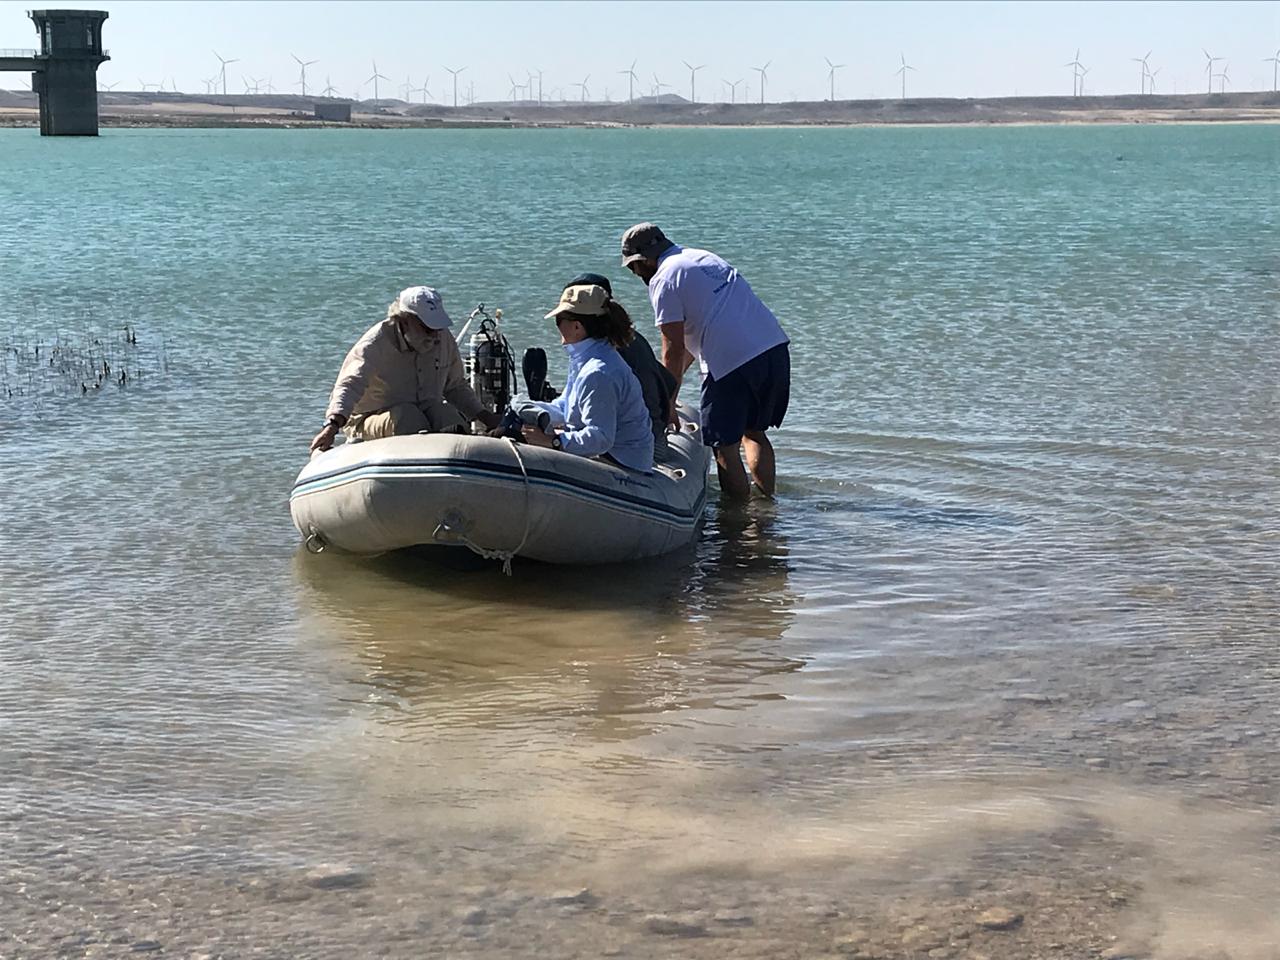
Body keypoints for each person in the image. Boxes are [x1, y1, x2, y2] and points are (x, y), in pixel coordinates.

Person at [620, 222, 790, 501]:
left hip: (731, 363)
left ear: (643, 260)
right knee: (754, 433)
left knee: (724, 447)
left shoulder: (664, 279)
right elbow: (691, 344)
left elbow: (673, 349)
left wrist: (666, 405)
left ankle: (735, 520)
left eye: (633, 267)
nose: (635, 274)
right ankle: (765, 508)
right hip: (773, 349)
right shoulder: (702, 257)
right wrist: (671, 394)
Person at [310, 286, 500, 453]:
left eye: (437, 328)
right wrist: (332, 426)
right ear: (404, 321)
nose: (434, 336)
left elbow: (455, 386)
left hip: (426, 407)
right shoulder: (375, 344)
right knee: (407, 418)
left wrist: (485, 416)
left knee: (449, 417)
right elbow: (349, 385)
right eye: (427, 328)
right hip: (370, 417)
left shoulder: (443, 339)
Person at [517, 283, 654, 472]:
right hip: (608, 454)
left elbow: (601, 438)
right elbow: (565, 408)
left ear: (577, 326)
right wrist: (523, 406)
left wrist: (553, 441)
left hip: (622, 464)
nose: (557, 326)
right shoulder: (585, 359)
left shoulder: (598, 373)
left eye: (559, 320)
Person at [562, 272, 677, 456]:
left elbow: (601, 435)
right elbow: (668, 382)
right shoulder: (628, 337)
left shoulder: (606, 354)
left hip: (639, 446)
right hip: (648, 433)